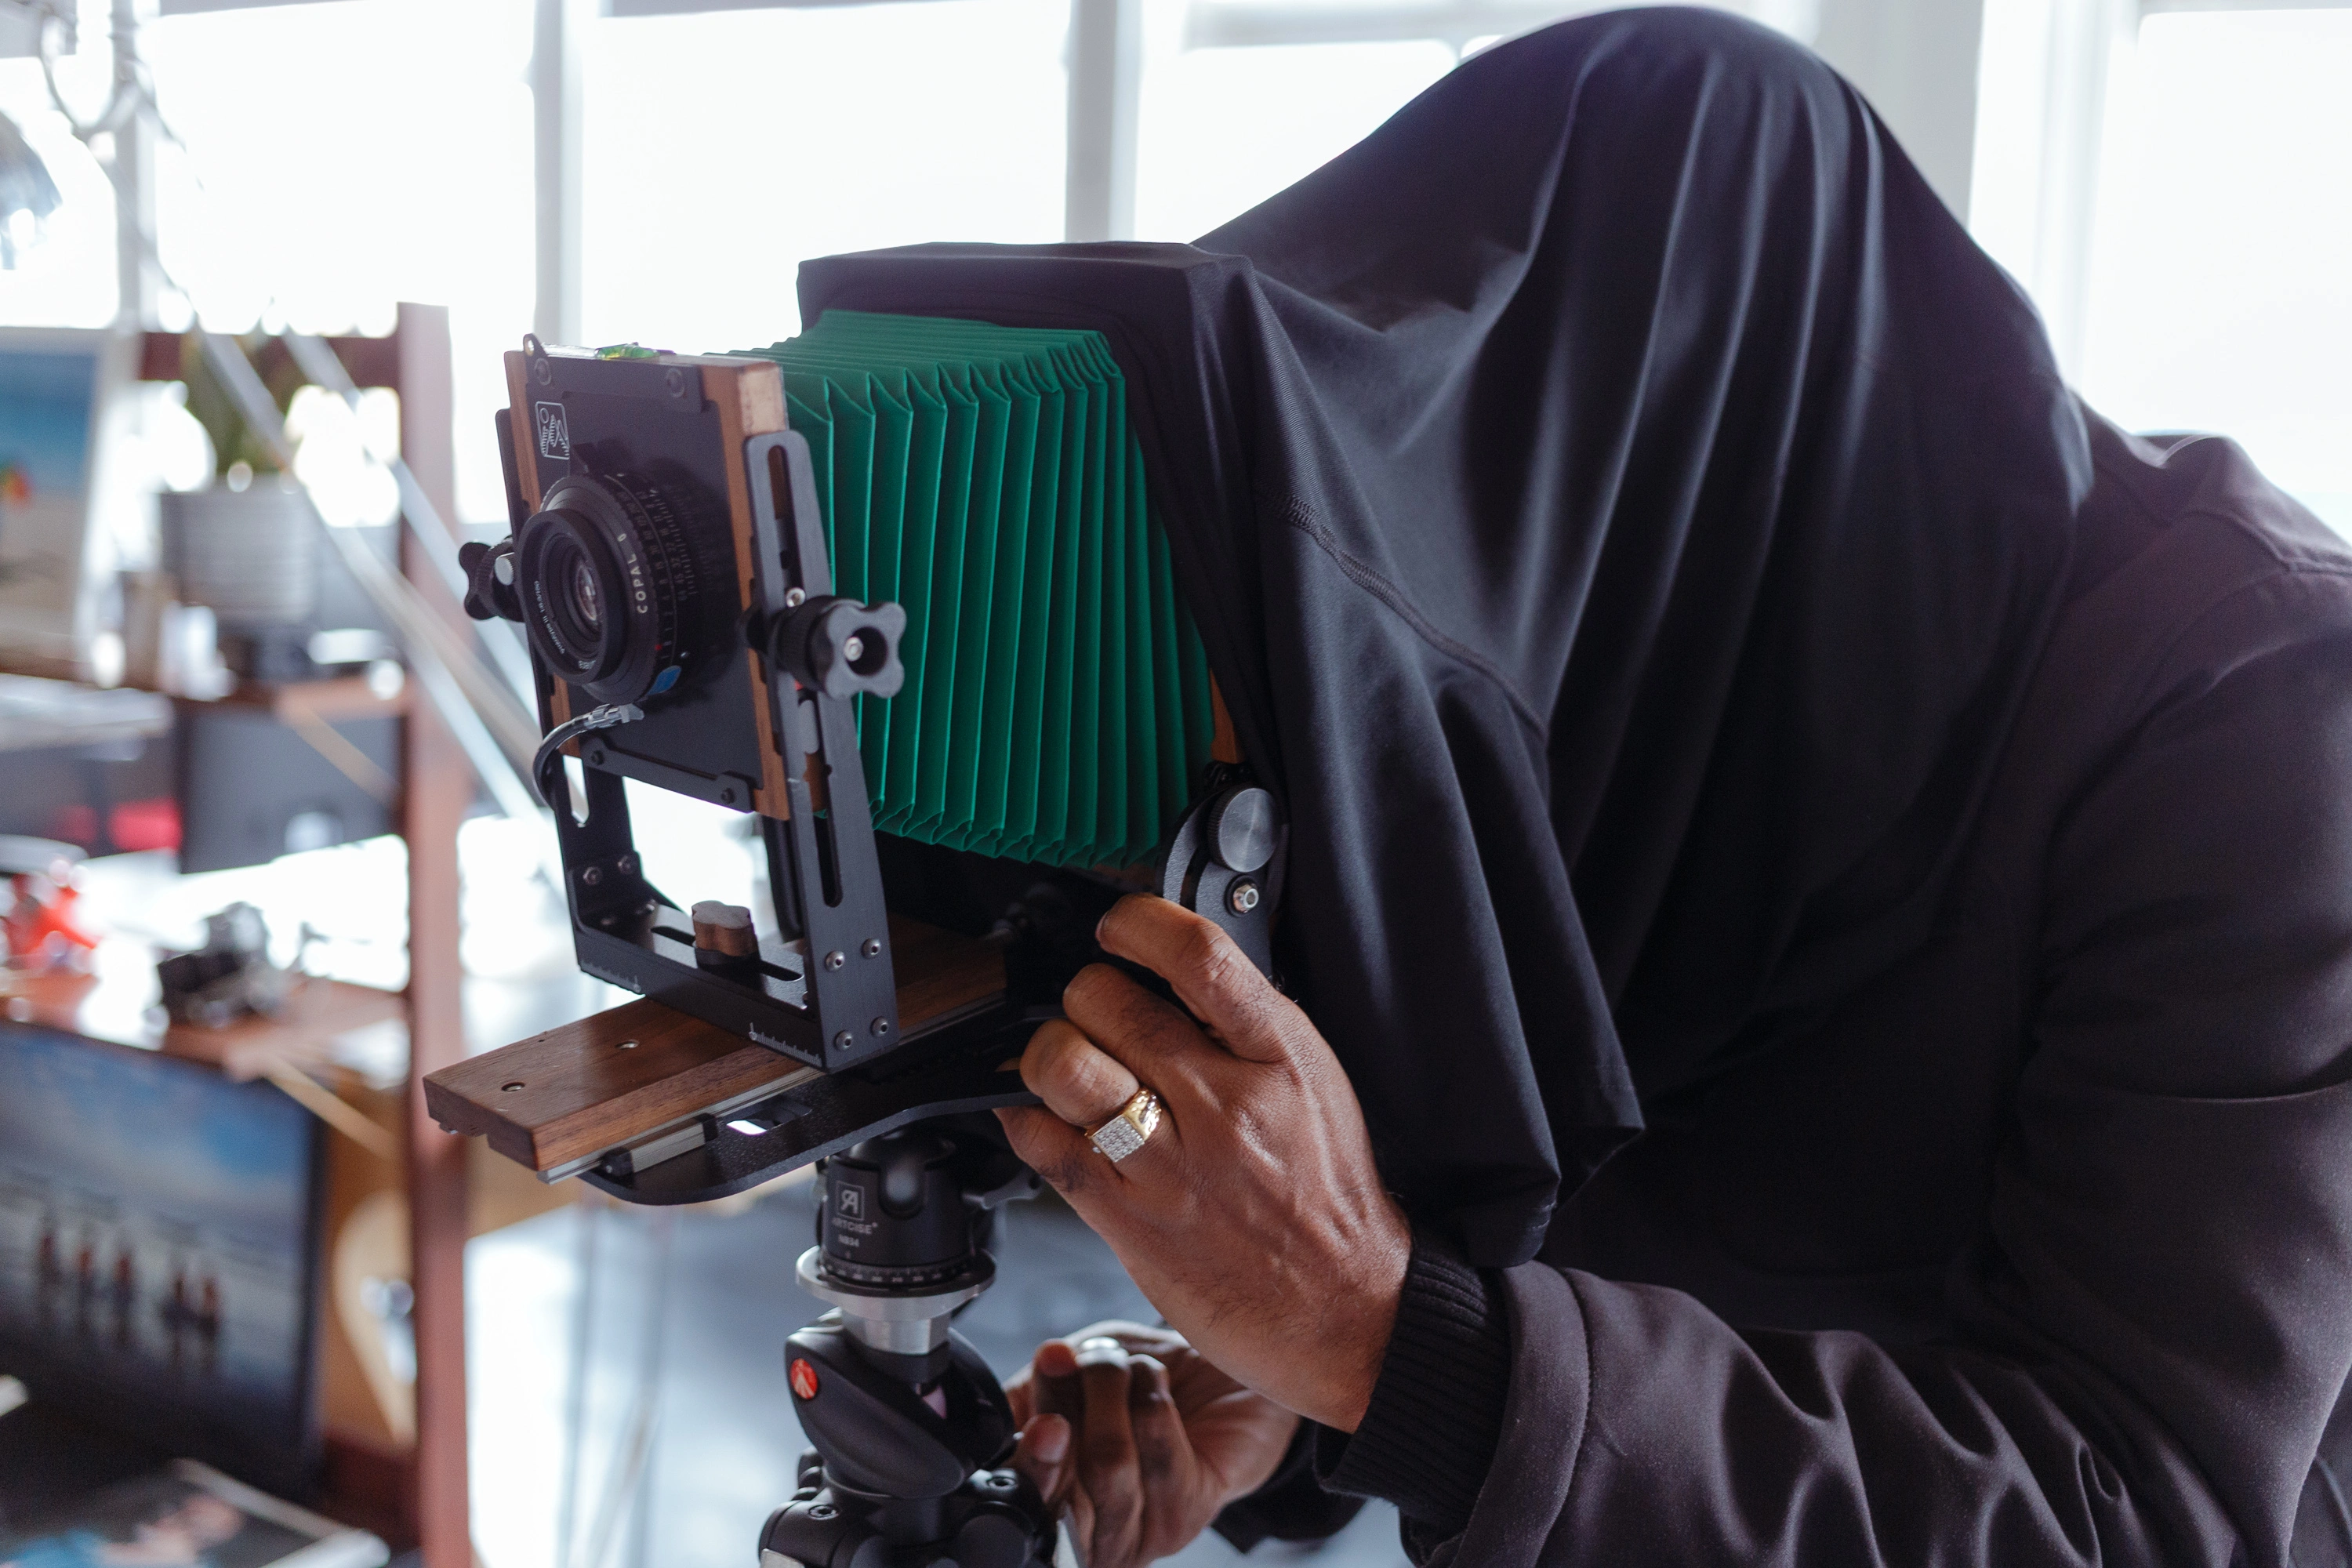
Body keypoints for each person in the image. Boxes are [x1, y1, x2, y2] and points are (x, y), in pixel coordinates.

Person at [804, 6, 2352, 1564]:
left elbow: (2148, 1514)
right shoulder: (1683, 704)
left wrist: (1391, 1345)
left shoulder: (2266, 724)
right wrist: (1305, 1402)